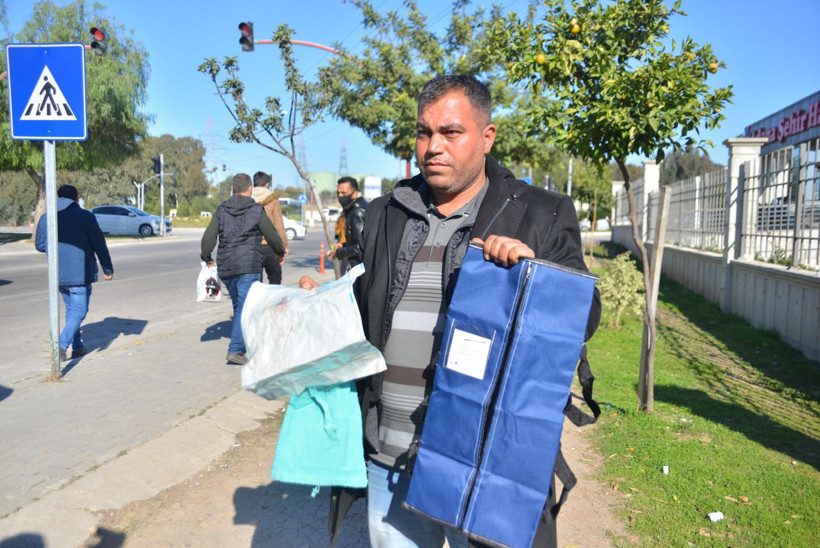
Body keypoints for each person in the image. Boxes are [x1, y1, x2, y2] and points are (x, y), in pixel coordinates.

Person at [302, 75, 602, 547]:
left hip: (485, 464)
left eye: (450, 132)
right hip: (390, 452)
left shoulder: (540, 213)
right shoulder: (387, 212)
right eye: (424, 132)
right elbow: (366, 310)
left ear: (487, 137)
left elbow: (583, 319)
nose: (433, 146)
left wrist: (533, 274)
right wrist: (321, 300)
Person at [201, 173, 285, 365]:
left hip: (226, 266)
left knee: (240, 306)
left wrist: (206, 257)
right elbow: (271, 235)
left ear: (232, 189)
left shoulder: (221, 210)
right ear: (249, 190)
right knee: (244, 307)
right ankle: (236, 349)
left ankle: (246, 343)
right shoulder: (256, 210)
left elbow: (208, 238)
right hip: (248, 266)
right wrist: (279, 251)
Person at [35, 184, 114, 361]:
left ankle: (77, 347)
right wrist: (107, 268)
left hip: (58, 275)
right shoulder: (86, 217)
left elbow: (40, 245)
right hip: (80, 274)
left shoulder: (47, 218)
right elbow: (99, 244)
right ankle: (61, 347)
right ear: (76, 198)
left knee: (72, 311)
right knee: (79, 311)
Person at [251, 171, 289, 284]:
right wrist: (284, 245)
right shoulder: (272, 199)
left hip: (252, 247)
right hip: (270, 246)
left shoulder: (248, 198)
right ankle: (274, 302)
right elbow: (279, 225)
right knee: (275, 281)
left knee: (256, 284)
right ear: (267, 184)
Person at [326, 176, 367, 273]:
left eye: (343, 193)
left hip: (359, 269)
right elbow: (358, 240)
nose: (340, 196)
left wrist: (338, 253)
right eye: (338, 193)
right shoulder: (353, 209)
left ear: (355, 194)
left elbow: (360, 247)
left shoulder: (358, 212)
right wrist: (343, 245)